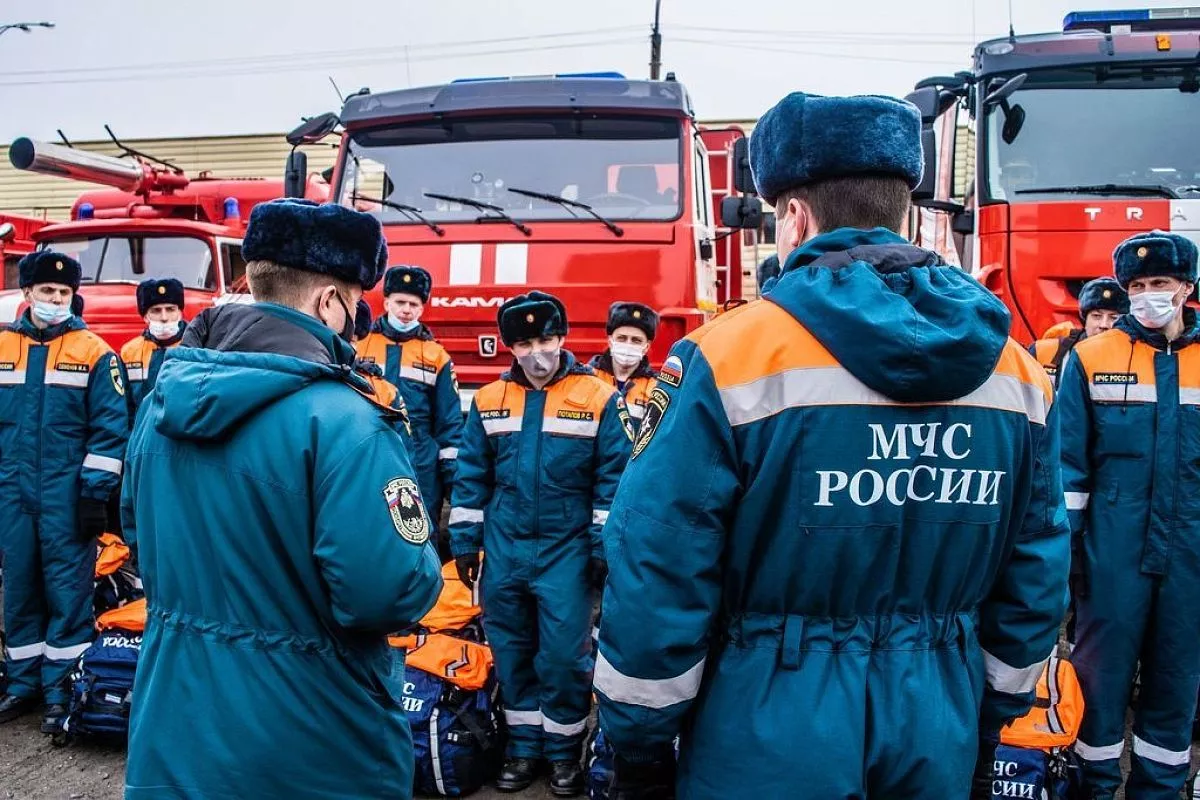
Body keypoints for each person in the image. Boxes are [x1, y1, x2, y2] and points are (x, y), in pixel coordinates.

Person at [593, 91, 1070, 798]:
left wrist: (639, 743)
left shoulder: (725, 358)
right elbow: (1037, 565)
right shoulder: (1018, 371)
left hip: (765, 723)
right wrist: (991, 714)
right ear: (902, 209)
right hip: (939, 716)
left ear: (794, 216)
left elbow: (660, 558)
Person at [121, 199, 443, 799]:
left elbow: (138, 534)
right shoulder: (350, 421)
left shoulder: (162, 404)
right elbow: (387, 593)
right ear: (329, 302)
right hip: (311, 736)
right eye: (356, 302)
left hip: (175, 724)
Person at [450, 291, 632, 796]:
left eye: (546, 339)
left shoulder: (598, 397)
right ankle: (523, 750)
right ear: (509, 348)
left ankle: (564, 755)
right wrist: (464, 541)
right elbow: (471, 476)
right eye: (525, 343)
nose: (537, 352)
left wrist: (601, 546)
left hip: (565, 552)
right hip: (504, 549)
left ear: (564, 337)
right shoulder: (488, 400)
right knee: (512, 652)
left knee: (563, 658)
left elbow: (614, 480)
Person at [1059, 231, 1200, 799]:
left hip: (1191, 564)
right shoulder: (1092, 358)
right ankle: (1092, 789)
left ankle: (1159, 791)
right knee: (1099, 688)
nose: (1146, 296)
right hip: (1110, 563)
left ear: (1186, 288)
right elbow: (1067, 472)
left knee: (1175, 689)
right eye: (1136, 286)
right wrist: (1065, 562)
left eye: (1158, 283)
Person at [0, 251, 130, 732]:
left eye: (63, 293)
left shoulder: (95, 352)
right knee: (19, 589)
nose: (55, 299)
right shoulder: (2, 347)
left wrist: (95, 496)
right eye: (46, 291)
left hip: (66, 497)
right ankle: (21, 684)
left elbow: (110, 431)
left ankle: (61, 689)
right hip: (11, 495)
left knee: (68, 594)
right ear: (27, 292)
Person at [356, 265, 462, 561]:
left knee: (420, 533)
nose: (406, 310)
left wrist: (451, 478)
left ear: (422, 308)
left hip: (421, 462)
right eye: (400, 302)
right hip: (369, 451)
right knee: (369, 528)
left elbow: (450, 422)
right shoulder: (360, 344)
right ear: (386, 302)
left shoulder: (436, 356)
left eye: (414, 304)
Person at [1029, 277, 1129, 388]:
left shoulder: (1136, 357)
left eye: (1114, 318)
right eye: (1096, 316)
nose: (1104, 325)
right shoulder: (1042, 352)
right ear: (1085, 321)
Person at [119, 278, 187, 411]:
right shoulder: (129, 353)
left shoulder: (197, 348)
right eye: (156, 310)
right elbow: (124, 405)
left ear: (180, 313)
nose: (164, 317)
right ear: (145, 317)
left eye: (170, 309)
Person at [589, 302, 658, 431]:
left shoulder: (656, 388)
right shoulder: (588, 378)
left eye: (636, 340)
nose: (628, 344)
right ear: (610, 341)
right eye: (622, 338)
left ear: (646, 347)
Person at [351, 298, 411, 439]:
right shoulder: (307, 382)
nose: (406, 310)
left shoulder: (385, 391)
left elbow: (403, 447)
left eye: (352, 340)